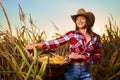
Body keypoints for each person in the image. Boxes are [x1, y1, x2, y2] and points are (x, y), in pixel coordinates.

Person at [25, 8, 101, 80]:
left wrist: (83, 57)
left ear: (87, 20)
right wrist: (36, 45)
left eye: (82, 18)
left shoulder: (96, 38)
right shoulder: (72, 34)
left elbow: (97, 56)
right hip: (72, 70)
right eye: (77, 19)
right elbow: (55, 42)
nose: (79, 21)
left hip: (86, 72)